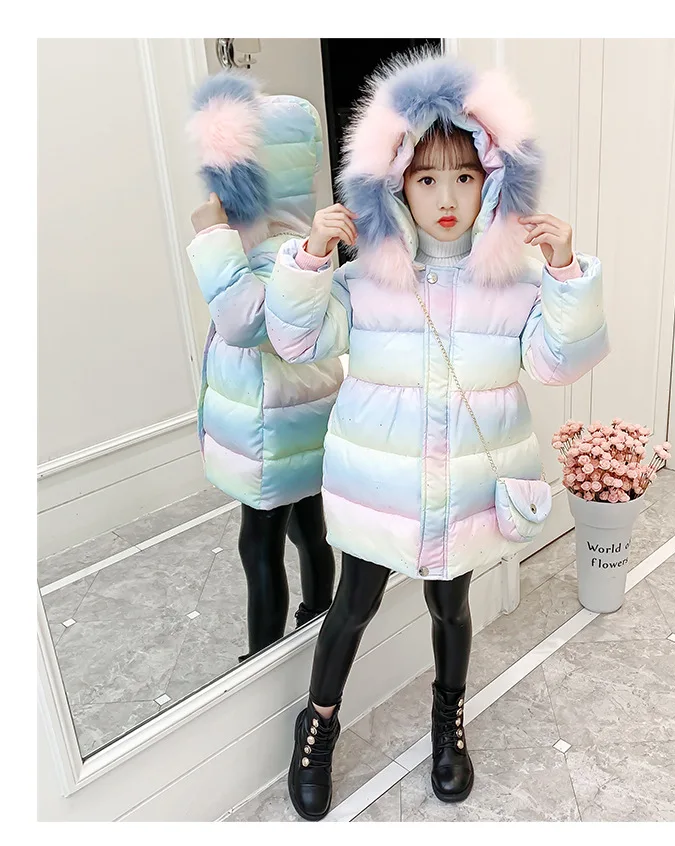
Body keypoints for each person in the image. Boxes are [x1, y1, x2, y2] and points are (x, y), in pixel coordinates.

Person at [264, 51, 611, 820]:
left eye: (464, 176)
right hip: (377, 488)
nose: (446, 197)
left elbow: (559, 363)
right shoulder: (363, 282)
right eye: (425, 178)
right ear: (395, 185)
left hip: (463, 490)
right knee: (352, 606)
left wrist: (565, 272)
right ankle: (317, 724)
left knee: (450, 608)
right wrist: (311, 258)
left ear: (494, 181)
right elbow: (294, 340)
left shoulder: (516, 286)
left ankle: (447, 716)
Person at [186, 73, 342, 660]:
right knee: (307, 525)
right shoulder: (295, 241)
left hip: (270, 422)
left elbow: (246, 324)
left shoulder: (277, 248)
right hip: (289, 414)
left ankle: (264, 659)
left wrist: (213, 237)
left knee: (260, 543)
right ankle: (315, 615)